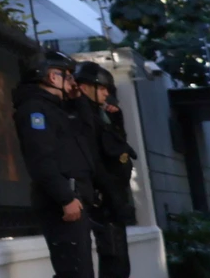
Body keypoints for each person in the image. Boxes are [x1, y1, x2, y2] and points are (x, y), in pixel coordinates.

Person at [14, 52, 97, 278]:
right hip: (62, 202)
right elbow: (40, 158)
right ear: (52, 77)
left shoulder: (56, 109)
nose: (72, 82)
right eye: (67, 76)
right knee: (74, 272)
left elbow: (89, 135)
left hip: (74, 199)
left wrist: (79, 100)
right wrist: (65, 197)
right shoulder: (35, 110)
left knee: (81, 271)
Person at [73, 61, 135, 278]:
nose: (106, 93)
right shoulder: (82, 116)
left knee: (119, 262)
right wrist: (113, 196)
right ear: (84, 87)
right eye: (101, 88)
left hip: (113, 197)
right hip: (103, 198)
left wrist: (116, 120)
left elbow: (116, 148)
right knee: (113, 260)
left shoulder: (100, 115)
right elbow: (94, 160)